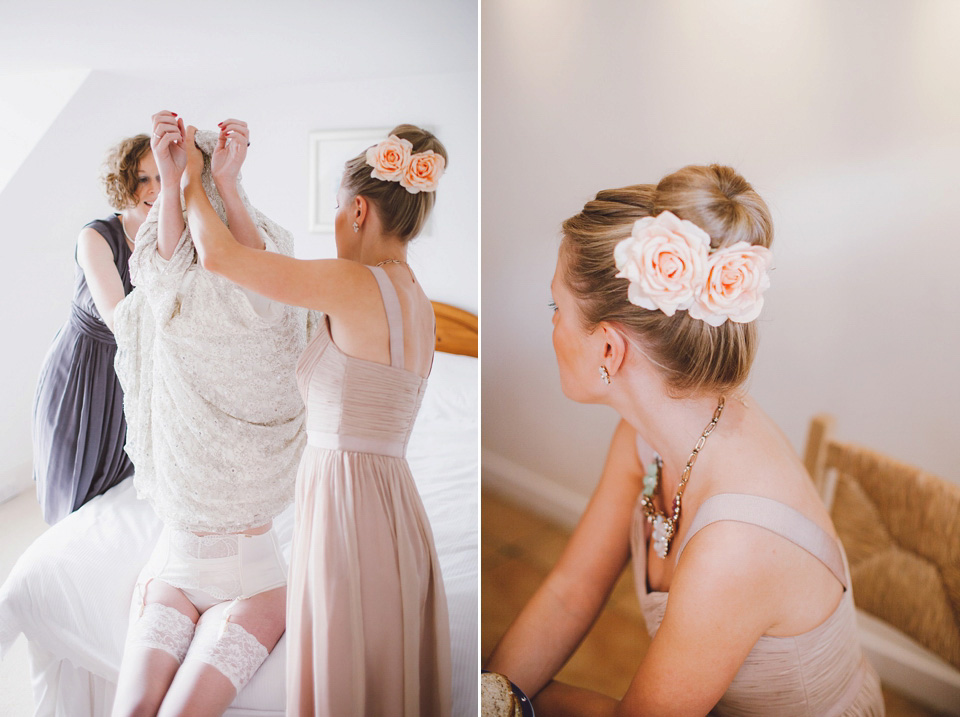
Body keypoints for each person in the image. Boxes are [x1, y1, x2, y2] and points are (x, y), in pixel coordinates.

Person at [484, 165, 884, 716]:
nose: (550, 327)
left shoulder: (734, 545)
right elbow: (567, 593)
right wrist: (491, 690)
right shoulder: (647, 436)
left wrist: (512, 705)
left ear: (608, 349)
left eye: (557, 309)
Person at [176, 120, 452, 716]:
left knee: (343, 665)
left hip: (345, 502)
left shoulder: (353, 283)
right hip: (395, 503)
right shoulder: (418, 300)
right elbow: (269, 276)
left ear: (357, 209)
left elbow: (221, 259)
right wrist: (227, 178)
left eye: (334, 209)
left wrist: (190, 179)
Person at [110, 113, 308, 716]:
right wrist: (174, 182)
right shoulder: (173, 288)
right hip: (175, 566)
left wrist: (220, 178)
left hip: (254, 583)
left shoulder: (258, 270)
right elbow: (164, 267)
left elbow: (265, 279)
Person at [32, 135, 153, 525]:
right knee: (71, 475)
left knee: (113, 486)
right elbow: (119, 318)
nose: (152, 190)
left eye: (161, 178)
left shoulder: (169, 241)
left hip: (128, 375)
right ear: (124, 182)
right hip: (80, 371)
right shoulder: (96, 237)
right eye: (142, 178)